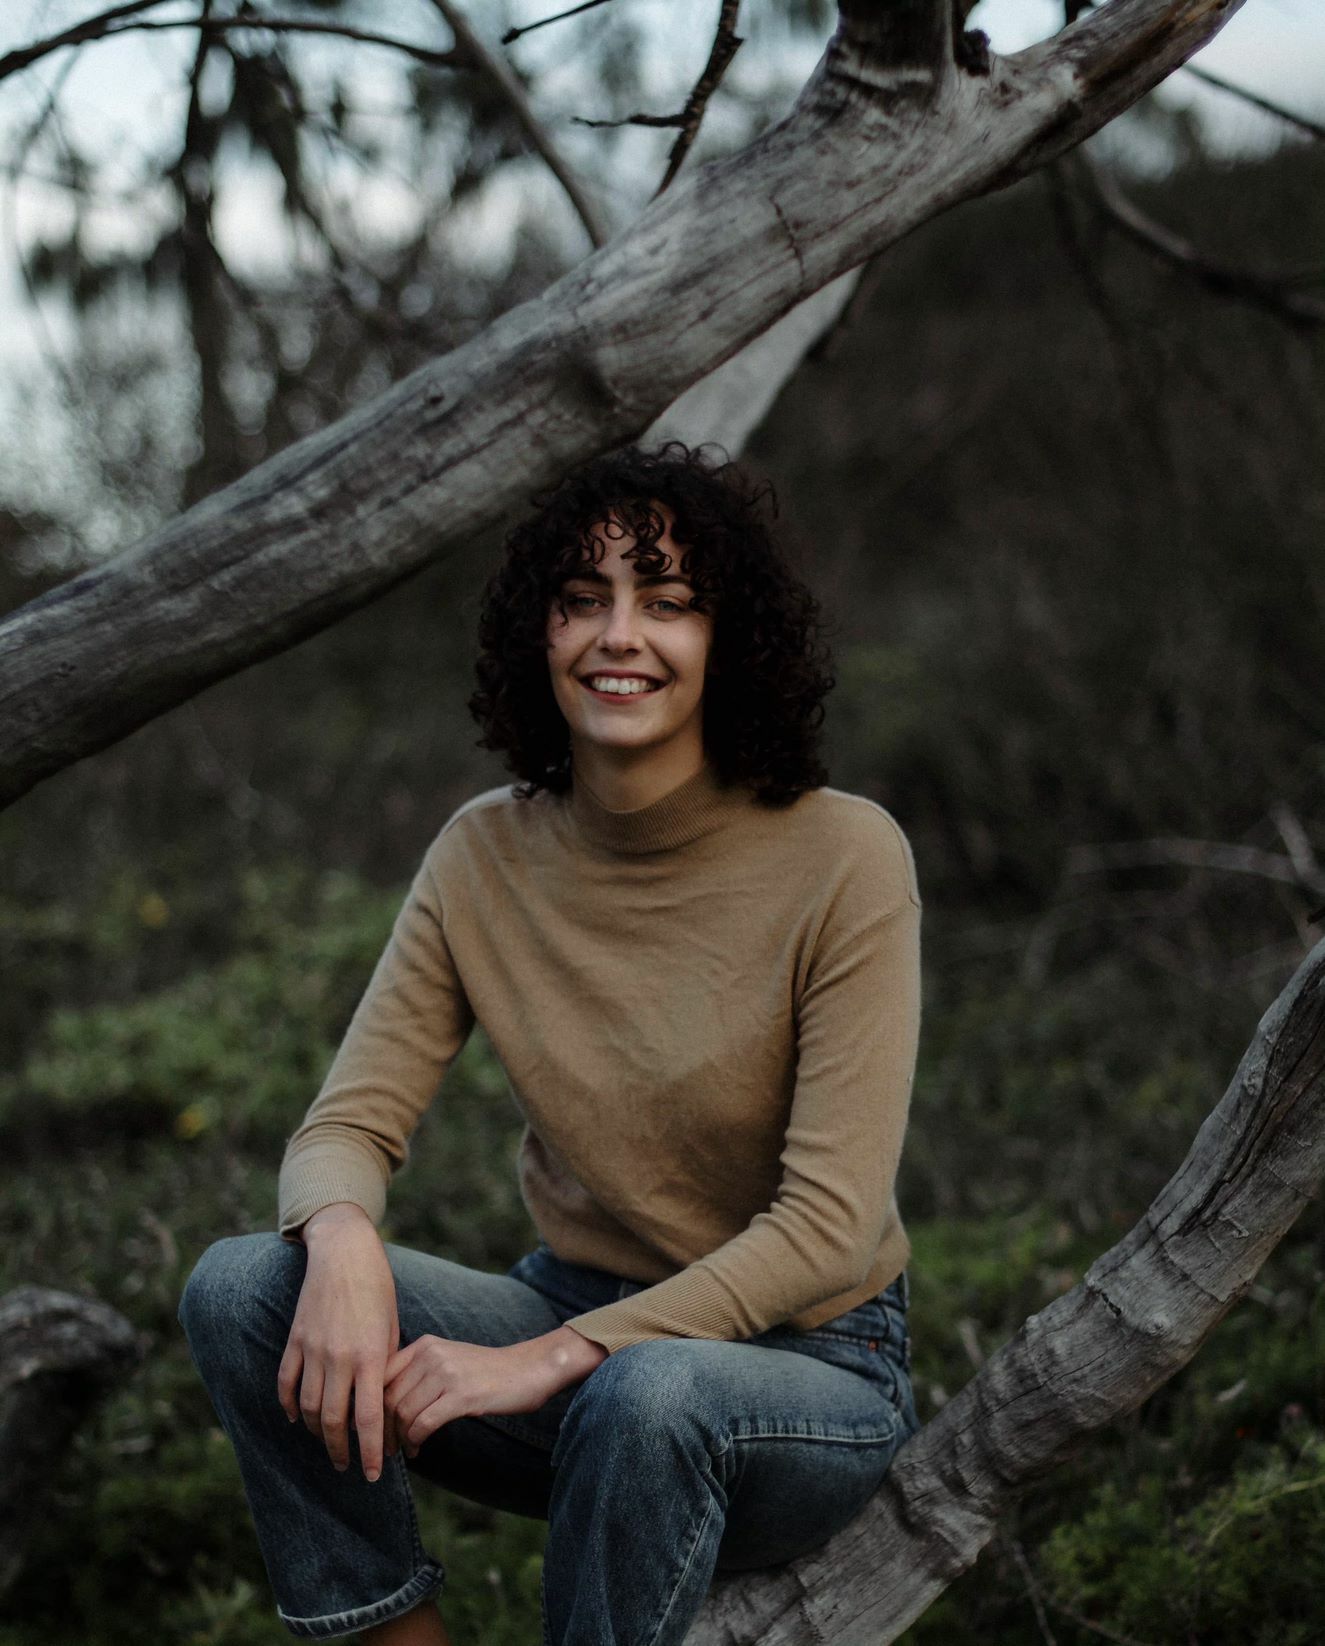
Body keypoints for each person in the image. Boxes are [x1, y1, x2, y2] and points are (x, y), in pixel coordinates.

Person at [179, 441, 923, 1646]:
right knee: (245, 1285)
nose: (617, 634)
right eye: (583, 599)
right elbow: (346, 1123)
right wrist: (340, 1233)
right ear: (540, 632)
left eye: (666, 602)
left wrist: (557, 1356)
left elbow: (829, 1225)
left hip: (801, 1370)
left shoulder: (845, 856)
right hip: (571, 1319)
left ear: (725, 641)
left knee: (647, 1389)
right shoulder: (483, 854)